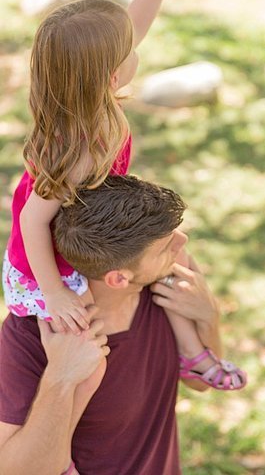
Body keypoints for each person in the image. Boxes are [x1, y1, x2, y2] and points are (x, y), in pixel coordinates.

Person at [1, 0, 246, 388]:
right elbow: (33, 222)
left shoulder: (93, 96)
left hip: (93, 231)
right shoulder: (76, 151)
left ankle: (192, 355)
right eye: (128, 50)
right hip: (54, 263)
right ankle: (60, 440)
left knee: (170, 256)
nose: (137, 46)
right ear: (112, 78)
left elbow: (134, 24)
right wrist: (56, 293)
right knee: (80, 341)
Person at [0, 175, 245, 474]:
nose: (183, 242)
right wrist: (61, 378)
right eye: (166, 245)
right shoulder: (29, 337)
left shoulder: (165, 292)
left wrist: (208, 316)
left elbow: (198, 382)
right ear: (119, 278)